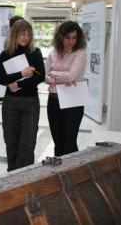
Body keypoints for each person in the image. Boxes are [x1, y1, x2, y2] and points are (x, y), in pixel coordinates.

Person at [0, 20, 45, 171]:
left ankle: (23, 179)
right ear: (15, 34)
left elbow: (40, 77)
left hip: (30, 103)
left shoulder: (35, 53)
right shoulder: (6, 54)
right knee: (11, 142)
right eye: (22, 34)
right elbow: (0, 78)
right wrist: (21, 74)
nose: (25, 37)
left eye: (29, 34)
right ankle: (12, 176)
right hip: (11, 103)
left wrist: (18, 83)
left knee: (28, 144)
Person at [45, 21, 87, 157]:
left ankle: (75, 175)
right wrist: (60, 78)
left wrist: (54, 74)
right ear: (60, 37)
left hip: (72, 102)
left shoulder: (80, 53)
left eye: (74, 38)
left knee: (69, 143)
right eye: (68, 37)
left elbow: (72, 75)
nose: (71, 41)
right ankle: (60, 175)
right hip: (53, 100)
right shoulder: (53, 53)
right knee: (58, 142)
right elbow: (43, 75)